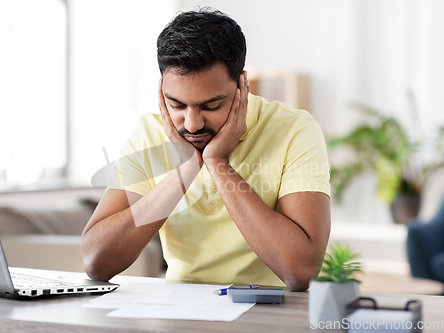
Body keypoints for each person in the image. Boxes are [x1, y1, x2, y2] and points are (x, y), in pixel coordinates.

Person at [81, 8, 331, 292]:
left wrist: (217, 163)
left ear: (242, 86)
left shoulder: (294, 130)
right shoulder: (148, 134)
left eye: (211, 106)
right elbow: (96, 263)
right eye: (176, 105)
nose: (192, 124)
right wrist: (184, 169)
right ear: (162, 87)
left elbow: (300, 271)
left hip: (270, 310)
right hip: (180, 311)